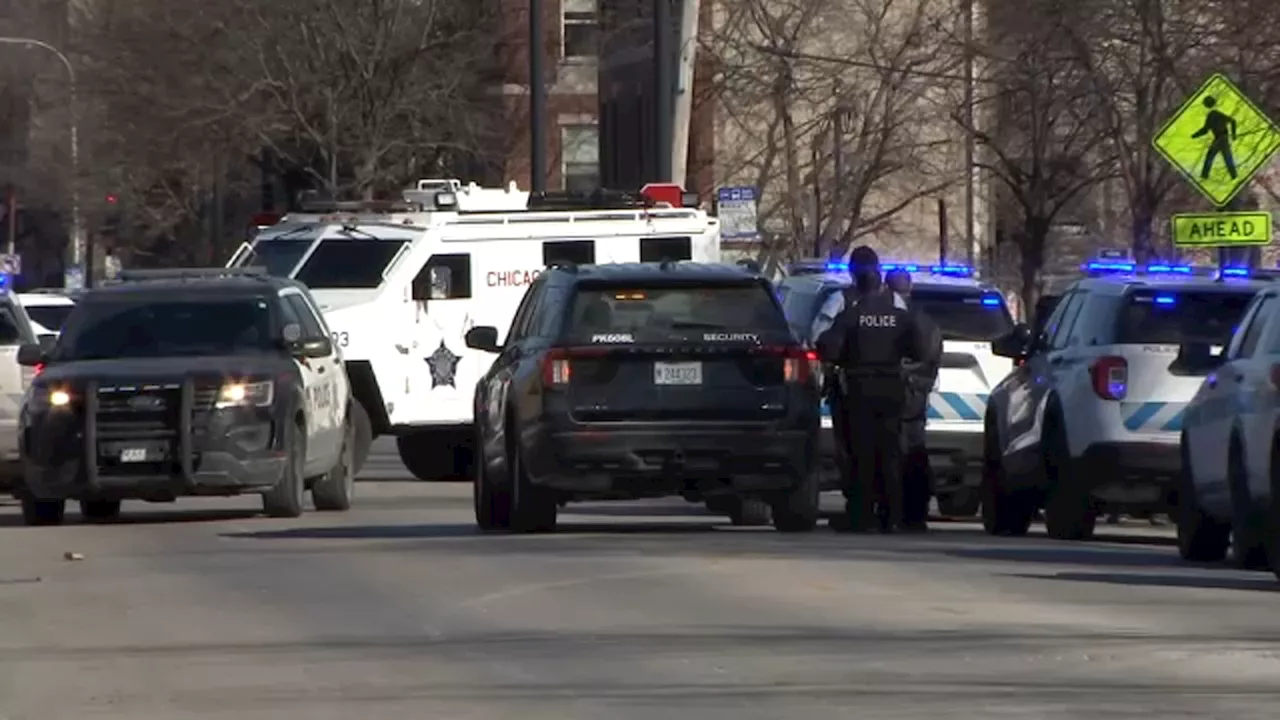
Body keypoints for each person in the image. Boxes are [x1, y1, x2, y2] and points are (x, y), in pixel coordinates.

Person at [816, 247, 932, 532]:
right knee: (891, 452)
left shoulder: (848, 310)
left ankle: (862, 514)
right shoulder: (898, 310)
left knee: (860, 453)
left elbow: (825, 345)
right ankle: (892, 515)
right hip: (892, 389)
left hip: (857, 390)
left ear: (853, 273)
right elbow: (919, 348)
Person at [884, 268, 943, 532]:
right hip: (916, 395)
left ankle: (898, 511)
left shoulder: (900, 319)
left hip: (899, 394)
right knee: (915, 453)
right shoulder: (925, 321)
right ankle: (914, 513)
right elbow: (932, 361)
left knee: (897, 453)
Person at [810, 265, 863, 499]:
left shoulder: (840, 300)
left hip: (847, 383)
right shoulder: (893, 302)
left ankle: (857, 502)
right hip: (888, 387)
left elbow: (818, 337)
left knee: (848, 444)